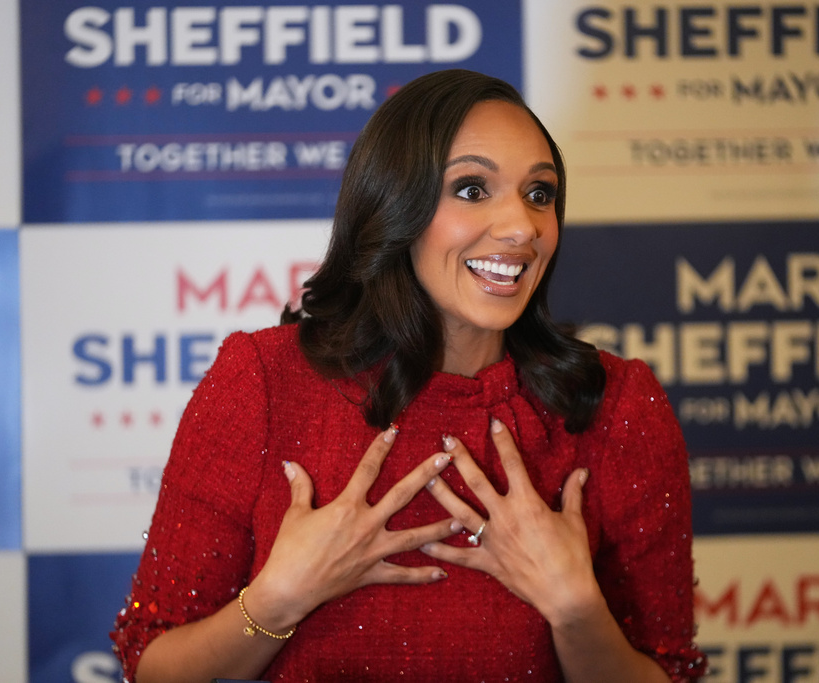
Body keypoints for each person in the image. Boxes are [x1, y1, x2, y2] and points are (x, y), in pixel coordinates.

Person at [112, 69, 705, 683]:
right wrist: (278, 598)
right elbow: (151, 662)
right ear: (395, 205)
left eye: (539, 193)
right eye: (473, 190)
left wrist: (576, 609)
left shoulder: (615, 404)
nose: (523, 227)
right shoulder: (264, 380)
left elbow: (669, 672)